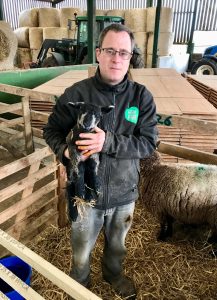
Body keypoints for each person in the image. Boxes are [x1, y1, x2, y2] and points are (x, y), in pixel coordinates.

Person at [43, 23, 158, 299]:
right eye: (110, 50)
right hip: (85, 194)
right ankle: (79, 284)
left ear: (131, 57)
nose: (116, 58)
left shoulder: (141, 97)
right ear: (98, 53)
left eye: (123, 52)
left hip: (123, 191)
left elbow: (148, 143)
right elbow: (51, 131)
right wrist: (65, 152)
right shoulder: (75, 95)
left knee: (117, 245)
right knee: (81, 248)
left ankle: (113, 275)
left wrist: (107, 142)